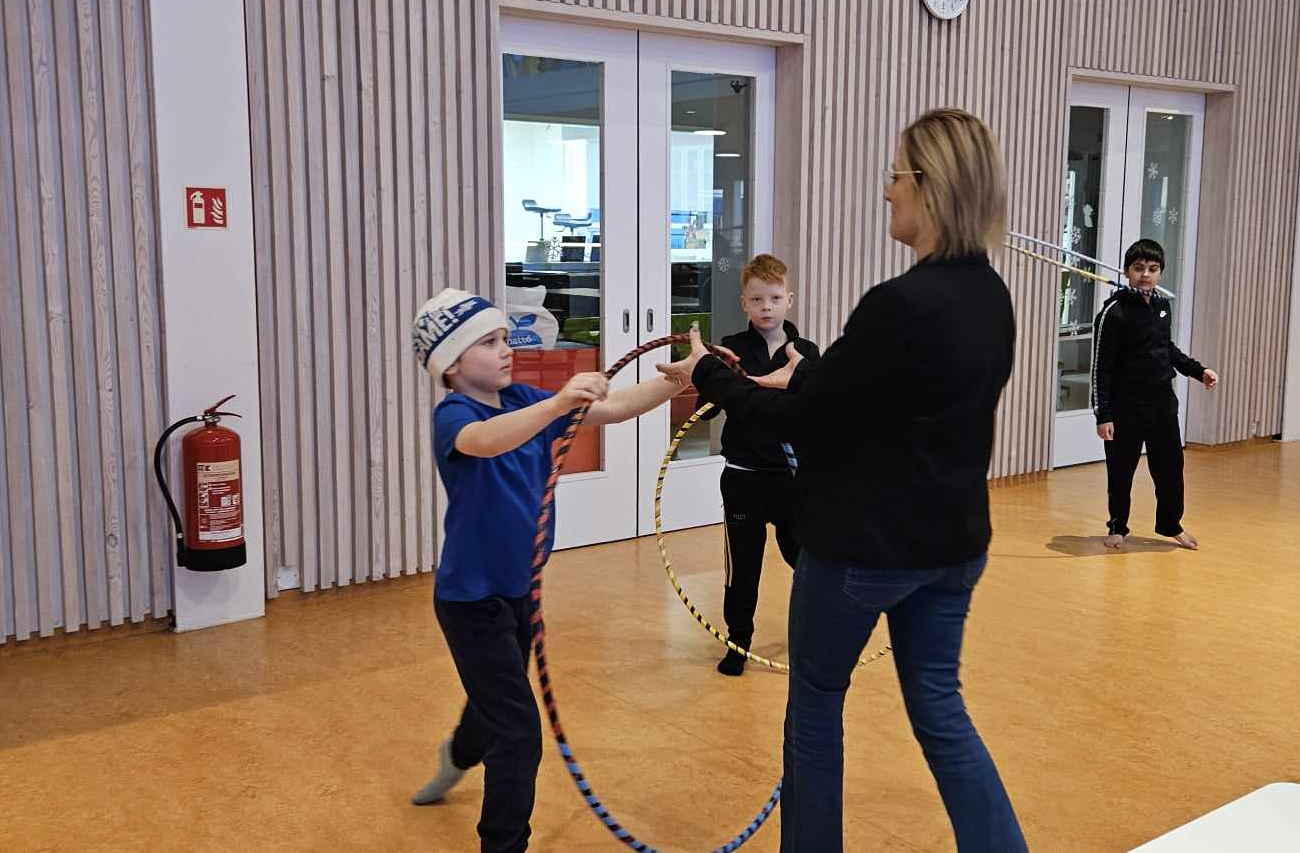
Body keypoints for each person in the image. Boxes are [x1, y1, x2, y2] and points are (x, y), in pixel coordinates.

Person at [666, 108, 1027, 852]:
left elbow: (799, 423)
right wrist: (814, 377)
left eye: (897, 175)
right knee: (941, 709)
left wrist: (709, 374)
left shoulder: (899, 304)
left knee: (815, 706)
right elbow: (895, 401)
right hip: (953, 548)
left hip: (866, 549)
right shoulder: (991, 296)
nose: (888, 191)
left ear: (930, 186)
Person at [407, 287, 701, 853]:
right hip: (471, 603)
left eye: (503, 338)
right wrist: (558, 403)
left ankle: (457, 754)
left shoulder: (522, 397)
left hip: (521, 591)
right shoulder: (455, 416)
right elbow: (485, 442)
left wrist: (677, 381)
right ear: (451, 364)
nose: (505, 349)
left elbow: (612, 408)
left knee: (497, 701)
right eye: (487, 342)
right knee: (519, 732)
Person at [702, 253, 821, 676]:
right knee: (742, 568)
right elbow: (711, 406)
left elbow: (817, 410)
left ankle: (813, 639)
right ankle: (739, 642)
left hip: (792, 480)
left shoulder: (806, 353)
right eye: (757, 299)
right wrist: (702, 378)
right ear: (744, 303)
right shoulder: (731, 349)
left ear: (789, 299)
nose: (766, 307)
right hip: (743, 478)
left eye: (774, 298)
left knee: (807, 564)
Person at [1092, 239, 1218, 550]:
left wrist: (1198, 371)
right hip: (1125, 408)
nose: (1145, 274)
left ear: (1160, 273)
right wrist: (1103, 415)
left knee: (1170, 469)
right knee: (1121, 471)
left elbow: (1166, 349)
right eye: (1138, 268)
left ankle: (1171, 524)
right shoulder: (1113, 313)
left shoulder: (1162, 306)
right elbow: (1100, 368)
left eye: (1152, 268)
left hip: (1162, 404)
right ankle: (1117, 527)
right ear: (1127, 272)